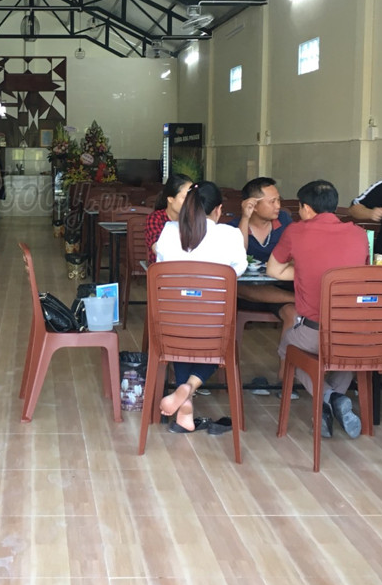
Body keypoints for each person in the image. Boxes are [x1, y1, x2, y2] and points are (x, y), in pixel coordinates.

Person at [267, 179, 369, 438]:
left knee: (288, 347)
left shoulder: (296, 231)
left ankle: (329, 398)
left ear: (307, 208)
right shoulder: (359, 233)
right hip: (355, 335)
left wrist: (305, 270)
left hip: (314, 332)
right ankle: (328, 407)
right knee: (345, 359)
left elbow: (273, 270)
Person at [156, 181, 247, 433]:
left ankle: (185, 399)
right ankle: (188, 388)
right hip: (212, 329)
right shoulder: (231, 235)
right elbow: (237, 271)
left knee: (184, 331)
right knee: (219, 340)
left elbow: (160, 268)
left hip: (170, 327)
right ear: (218, 210)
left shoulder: (168, 231)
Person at [230, 176, 295, 320]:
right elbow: (239, 254)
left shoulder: (284, 220)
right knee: (236, 286)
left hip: (280, 288)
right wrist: (245, 218)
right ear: (253, 205)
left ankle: (295, 300)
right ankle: (296, 299)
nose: (278, 206)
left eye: (278, 200)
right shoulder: (234, 227)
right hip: (248, 293)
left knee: (292, 313)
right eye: (272, 201)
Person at [144, 174, 193, 262]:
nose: (190, 202)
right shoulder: (155, 219)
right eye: (185, 198)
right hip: (163, 268)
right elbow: (159, 250)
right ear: (170, 199)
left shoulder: (194, 219)